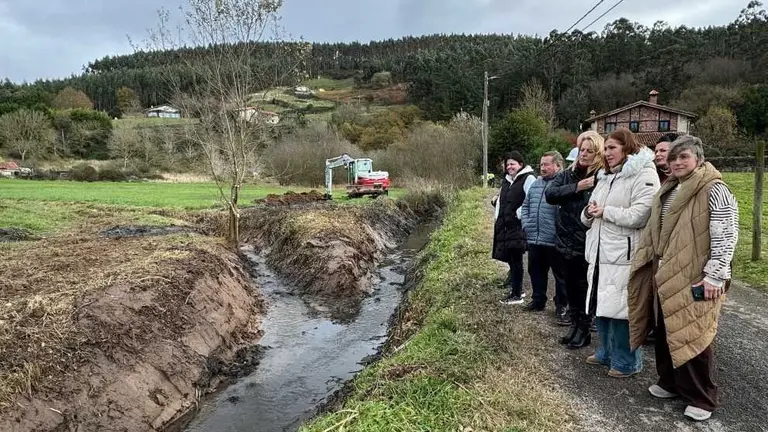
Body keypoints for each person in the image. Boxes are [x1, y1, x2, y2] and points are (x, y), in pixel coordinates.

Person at [627, 135, 738, 422]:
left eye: (684, 157)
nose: (677, 162)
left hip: (695, 275)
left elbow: (726, 234)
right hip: (666, 272)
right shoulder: (671, 187)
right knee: (665, 330)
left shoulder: (714, 189)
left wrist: (715, 276)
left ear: (698, 159)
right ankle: (671, 383)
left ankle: (701, 397)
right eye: (673, 158)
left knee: (693, 334)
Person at [581, 128, 660, 378]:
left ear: (627, 148)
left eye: (612, 147)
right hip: (600, 252)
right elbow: (591, 210)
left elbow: (640, 215)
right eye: (605, 148)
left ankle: (627, 361)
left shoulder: (644, 174)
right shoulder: (605, 176)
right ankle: (606, 352)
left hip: (624, 255)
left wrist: (605, 212)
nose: (607, 153)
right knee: (602, 304)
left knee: (623, 309)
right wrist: (587, 213)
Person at [545, 131, 604, 349]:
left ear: (597, 153)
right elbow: (550, 194)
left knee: (584, 288)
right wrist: (577, 187)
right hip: (565, 238)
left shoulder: (601, 176)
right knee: (569, 286)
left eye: (589, 151)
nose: (584, 154)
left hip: (586, 240)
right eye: (582, 150)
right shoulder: (569, 174)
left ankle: (584, 328)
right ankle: (574, 325)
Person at [521, 151, 568, 324]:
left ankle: (561, 304)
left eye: (546, 164)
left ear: (557, 165)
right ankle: (538, 300)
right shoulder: (536, 184)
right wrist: (526, 225)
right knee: (535, 271)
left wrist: (559, 231)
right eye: (541, 164)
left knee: (560, 275)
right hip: (535, 237)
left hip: (554, 239)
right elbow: (525, 206)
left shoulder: (563, 185)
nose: (542, 167)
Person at [493, 151, 535, 305]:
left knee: (516, 260)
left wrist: (519, 213)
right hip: (505, 225)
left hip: (518, 226)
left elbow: (532, 199)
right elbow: (502, 200)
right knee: (510, 258)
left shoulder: (528, 178)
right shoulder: (507, 180)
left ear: (520, 164)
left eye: (513, 164)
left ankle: (517, 295)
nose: (509, 167)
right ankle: (516, 289)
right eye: (508, 164)